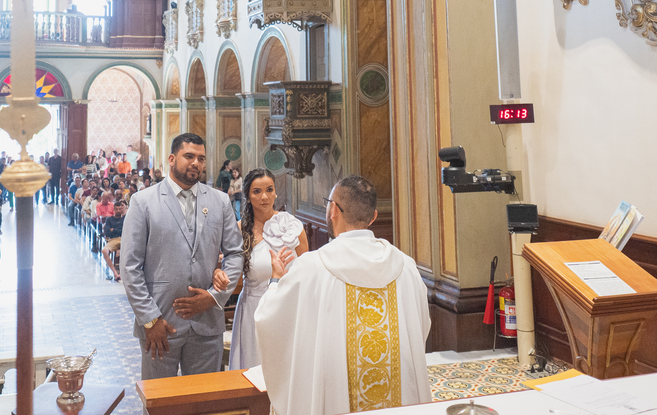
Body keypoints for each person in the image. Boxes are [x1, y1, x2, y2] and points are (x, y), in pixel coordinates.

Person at [254, 176, 432, 414]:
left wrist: (276, 280)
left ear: (333, 210)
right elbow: (421, 326)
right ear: (373, 217)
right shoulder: (406, 266)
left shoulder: (312, 267)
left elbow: (270, 320)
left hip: (335, 393)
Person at [120, 133, 244, 379]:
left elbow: (235, 253)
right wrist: (149, 319)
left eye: (201, 158)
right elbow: (130, 267)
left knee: (203, 401)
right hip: (161, 322)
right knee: (161, 403)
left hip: (206, 322)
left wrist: (213, 296)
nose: (196, 163)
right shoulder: (143, 202)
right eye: (189, 156)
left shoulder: (219, 201)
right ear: (171, 158)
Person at [223, 168, 308, 370]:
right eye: (257, 191)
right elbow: (231, 268)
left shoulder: (292, 226)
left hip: (290, 306)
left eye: (269, 190)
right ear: (248, 196)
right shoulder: (239, 230)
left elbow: (307, 267)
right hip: (254, 308)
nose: (265, 197)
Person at [101, 198, 128, 281]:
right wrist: (117, 230)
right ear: (114, 209)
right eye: (117, 209)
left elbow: (125, 230)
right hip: (113, 240)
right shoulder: (109, 219)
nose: (118, 210)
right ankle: (115, 273)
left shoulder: (125, 218)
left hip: (124, 239)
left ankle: (122, 273)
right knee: (105, 251)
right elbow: (107, 232)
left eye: (120, 209)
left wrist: (114, 229)